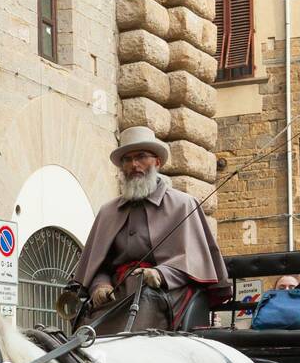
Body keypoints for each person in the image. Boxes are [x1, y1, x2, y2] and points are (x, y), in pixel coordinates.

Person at [73, 126, 230, 332]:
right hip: (117, 293)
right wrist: (99, 285)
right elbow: (98, 265)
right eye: (127, 160)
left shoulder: (183, 204)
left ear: (157, 161)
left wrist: (161, 273)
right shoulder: (108, 212)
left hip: (166, 292)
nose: (134, 165)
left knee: (140, 316)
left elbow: (194, 263)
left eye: (141, 157)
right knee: (83, 333)